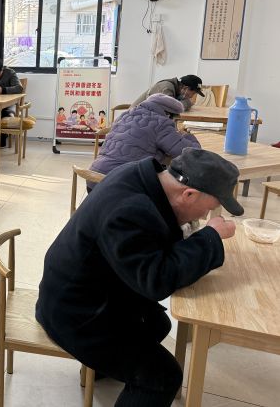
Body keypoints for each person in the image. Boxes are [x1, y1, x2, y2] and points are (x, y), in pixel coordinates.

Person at [36, 147, 243, 406]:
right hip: (74, 315)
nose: (204, 216)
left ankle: (101, 369)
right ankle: (108, 366)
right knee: (163, 377)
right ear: (188, 194)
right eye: (208, 209)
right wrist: (209, 238)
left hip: (85, 292)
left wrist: (198, 240)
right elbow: (156, 281)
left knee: (158, 324)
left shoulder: (139, 177)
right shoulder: (130, 210)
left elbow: (150, 250)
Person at [89, 94, 201, 187]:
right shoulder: (161, 123)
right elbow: (190, 152)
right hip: (120, 185)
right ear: (168, 114)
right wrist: (188, 135)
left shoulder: (125, 115)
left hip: (93, 177)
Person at [131, 74, 205, 112]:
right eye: (193, 93)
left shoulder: (177, 90)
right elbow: (171, 108)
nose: (191, 96)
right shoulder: (167, 87)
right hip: (133, 119)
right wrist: (187, 103)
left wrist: (186, 103)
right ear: (185, 88)